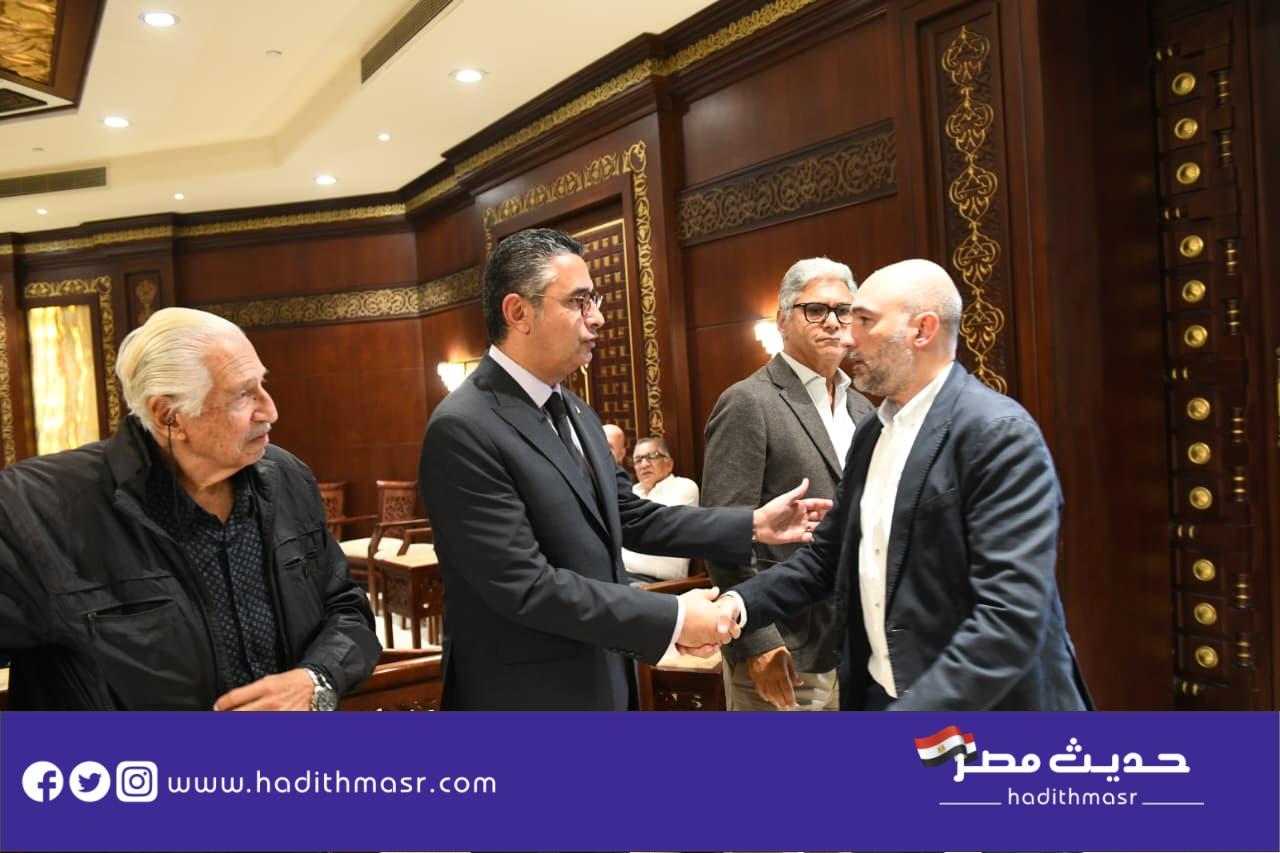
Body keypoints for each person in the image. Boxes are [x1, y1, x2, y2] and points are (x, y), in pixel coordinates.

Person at [419, 228, 828, 711]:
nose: (597, 317)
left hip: (605, 674)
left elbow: (632, 515)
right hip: (524, 695)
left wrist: (753, 525)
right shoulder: (464, 426)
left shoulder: (575, 410)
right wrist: (673, 617)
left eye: (594, 300)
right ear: (518, 312)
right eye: (579, 302)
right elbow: (524, 585)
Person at [718, 259, 1091, 711]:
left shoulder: (998, 434)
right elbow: (827, 559)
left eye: (864, 320)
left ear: (922, 330)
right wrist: (737, 605)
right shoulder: (873, 432)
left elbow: (1008, 618)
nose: (849, 337)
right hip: (884, 693)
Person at [0, 307, 380, 711]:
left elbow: (346, 608)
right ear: (170, 416)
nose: (270, 410)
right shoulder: (36, 508)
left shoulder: (287, 477)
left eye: (262, 385)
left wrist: (316, 679)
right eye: (243, 394)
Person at [702, 257, 874, 711]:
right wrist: (757, 643)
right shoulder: (748, 402)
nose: (832, 323)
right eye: (815, 310)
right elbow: (722, 532)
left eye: (844, 311)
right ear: (782, 320)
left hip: (853, 647)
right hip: (784, 646)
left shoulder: (864, 410)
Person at [621, 437, 700, 584]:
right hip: (620, 575)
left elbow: (656, 531)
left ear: (669, 464)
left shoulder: (683, 487)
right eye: (638, 460)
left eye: (652, 457)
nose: (644, 464)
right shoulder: (632, 491)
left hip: (656, 581)